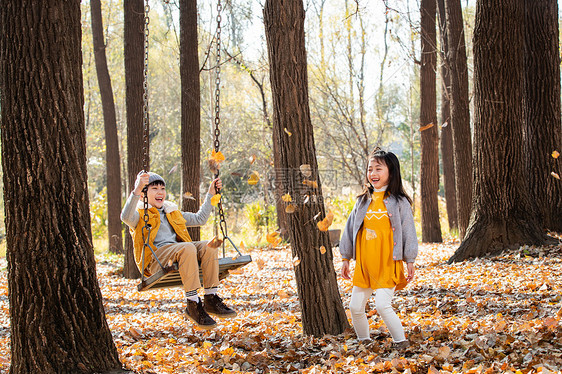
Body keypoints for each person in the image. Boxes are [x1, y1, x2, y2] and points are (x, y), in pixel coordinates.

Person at [121, 171, 237, 330]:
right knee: (187, 247)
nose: (160, 192)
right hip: (156, 260)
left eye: (162, 188)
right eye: (154, 188)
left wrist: (210, 194)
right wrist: (137, 188)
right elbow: (125, 217)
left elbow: (199, 219)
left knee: (210, 245)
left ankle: (210, 297)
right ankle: (193, 303)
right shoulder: (139, 215)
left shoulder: (172, 212)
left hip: (180, 252)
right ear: (143, 195)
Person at [339, 148, 418, 349]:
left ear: (391, 172)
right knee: (355, 307)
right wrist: (345, 258)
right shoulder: (362, 201)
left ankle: (401, 342)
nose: (373, 173)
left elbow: (409, 231)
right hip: (365, 264)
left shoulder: (399, 202)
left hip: (388, 263)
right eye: (370, 169)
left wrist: (410, 260)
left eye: (378, 169)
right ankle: (364, 341)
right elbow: (349, 230)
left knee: (383, 305)